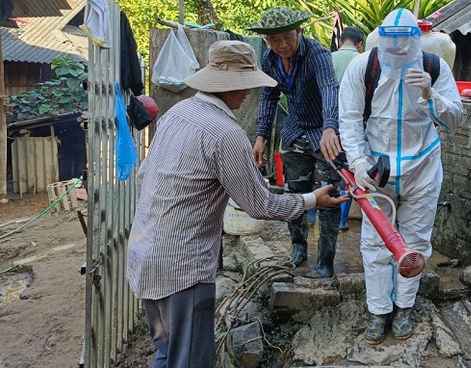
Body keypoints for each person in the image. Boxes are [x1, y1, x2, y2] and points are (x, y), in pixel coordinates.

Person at [126, 40, 347, 368]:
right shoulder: (226, 134)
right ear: (230, 85)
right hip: (183, 271)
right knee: (189, 362)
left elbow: (145, 176)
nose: (249, 95)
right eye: (246, 86)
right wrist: (312, 199)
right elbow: (260, 205)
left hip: (145, 256)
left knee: (167, 352)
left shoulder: (178, 113)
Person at [338, 9, 463, 345]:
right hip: (377, 170)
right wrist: (359, 163)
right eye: (388, 46)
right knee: (375, 243)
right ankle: (378, 311)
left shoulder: (435, 67)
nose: (395, 52)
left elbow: (456, 118)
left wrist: (430, 95)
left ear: (413, 42)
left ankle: (404, 306)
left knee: (416, 241)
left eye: (402, 46)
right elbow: (349, 119)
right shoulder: (363, 66)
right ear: (380, 43)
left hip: (422, 166)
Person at [247, 6, 343, 279]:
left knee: (329, 197)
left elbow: (329, 88)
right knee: (295, 196)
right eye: (275, 40)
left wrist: (330, 127)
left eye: (287, 37)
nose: (283, 45)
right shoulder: (269, 60)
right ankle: (298, 249)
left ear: (299, 31)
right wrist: (261, 137)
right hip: (295, 132)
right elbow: (268, 96)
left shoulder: (318, 54)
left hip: (325, 134)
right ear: (267, 41)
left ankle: (325, 262)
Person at [330, 26, 365, 232]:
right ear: (360, 44)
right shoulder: (364, 61)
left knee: (324, 174)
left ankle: (311, 217)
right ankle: (342, 221)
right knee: (349, 175)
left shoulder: (329, 58)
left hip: (327, 126)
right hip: (352, 127)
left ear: (341, 41)